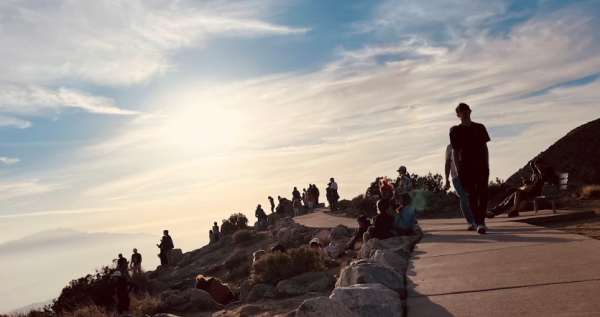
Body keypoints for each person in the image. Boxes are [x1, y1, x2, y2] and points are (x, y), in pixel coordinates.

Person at [450, 103, 491, 234]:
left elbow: (485, 147)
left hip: (481, 166)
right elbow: (455, 152)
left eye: (467, 110)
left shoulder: (479, 128)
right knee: (471, 195)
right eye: (462, 111)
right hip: (465, 168)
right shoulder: (455, 132)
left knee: (483, 194)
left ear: (470, 111)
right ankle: (478, 222)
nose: (465, 112)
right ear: (458, 114)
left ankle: (481, 222)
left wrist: (487, 164)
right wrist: (457, 169)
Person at [444, 141, 476, 230]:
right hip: (456, 177)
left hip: (469, 176)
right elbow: (447, 164)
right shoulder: (449, 148)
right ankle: (471, 222)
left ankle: (479, 220)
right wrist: (446, 179)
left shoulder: (467, 144)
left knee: (474, 197)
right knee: (464, 198)